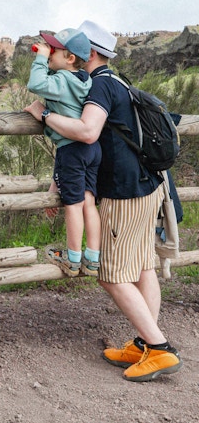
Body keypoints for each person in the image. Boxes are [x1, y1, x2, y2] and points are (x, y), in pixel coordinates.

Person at [25, 20, 182, 382]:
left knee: (110, 275)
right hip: (150, 184)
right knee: (143, 266)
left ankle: (158, 349)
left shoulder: (98, 85)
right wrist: (57, 182)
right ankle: (144, 343)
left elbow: (87, 132)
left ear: (88, 53)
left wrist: (45, 115)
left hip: (126, 191)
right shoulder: (119, 81)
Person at [24, 28, 101, 277]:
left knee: (73, 205)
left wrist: (39, 58)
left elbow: (36, 84)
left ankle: (72, 259)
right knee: (89, 202)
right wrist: (48, 59)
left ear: (69, 58)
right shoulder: (83, 79)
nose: (48, 52)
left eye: (53, 50)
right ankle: (92, 258)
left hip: (72, 149)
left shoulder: (61, 81)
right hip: (91, 150)